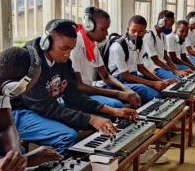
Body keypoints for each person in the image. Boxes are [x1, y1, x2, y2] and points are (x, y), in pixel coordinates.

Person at [11, 19, 138, 155]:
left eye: (71, 49)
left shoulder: (64, 61)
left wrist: (111, 110)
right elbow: (45, 107)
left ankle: (101, 162)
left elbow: (74, 95)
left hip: (52, 106)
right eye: (63, 48)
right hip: (22, 112)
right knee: (67, 137)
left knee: (106, 116)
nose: (67, 54)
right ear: (46, 43)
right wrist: (91, 119)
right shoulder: (30, 62)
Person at [70, 7, 141, 109]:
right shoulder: (74, 44)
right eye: (103, 29)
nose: (107, 33)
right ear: (89, 26)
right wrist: (118, 94)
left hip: (91, 88)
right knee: (116, 104)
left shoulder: (91, 45)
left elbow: (106, 77)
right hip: (80, 93)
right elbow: (80, 86)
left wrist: (126, 90)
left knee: (136, 92)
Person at [107, 15, 174, 105]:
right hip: (120, 81)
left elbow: (141, 67)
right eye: (133, 31)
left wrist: (161, 81)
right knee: (152, 93)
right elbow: (126, 76)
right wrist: (153, 84)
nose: (136, 35)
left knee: (164, 87)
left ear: (145, 32)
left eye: (140, 32)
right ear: (127, 29)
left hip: (133, 76)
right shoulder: (118, 46)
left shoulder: (140, 44)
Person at [143, 10, 190, 80]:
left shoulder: (162, 35)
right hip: (154, 68)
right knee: (179, 80)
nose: (170, 28)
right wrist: (175, 71)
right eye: (169, 25)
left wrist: (177, 70)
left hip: (163, 66)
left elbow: (166, 56)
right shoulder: (149, 36)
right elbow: (155, 60)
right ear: (161, 22)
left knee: (186, 75)